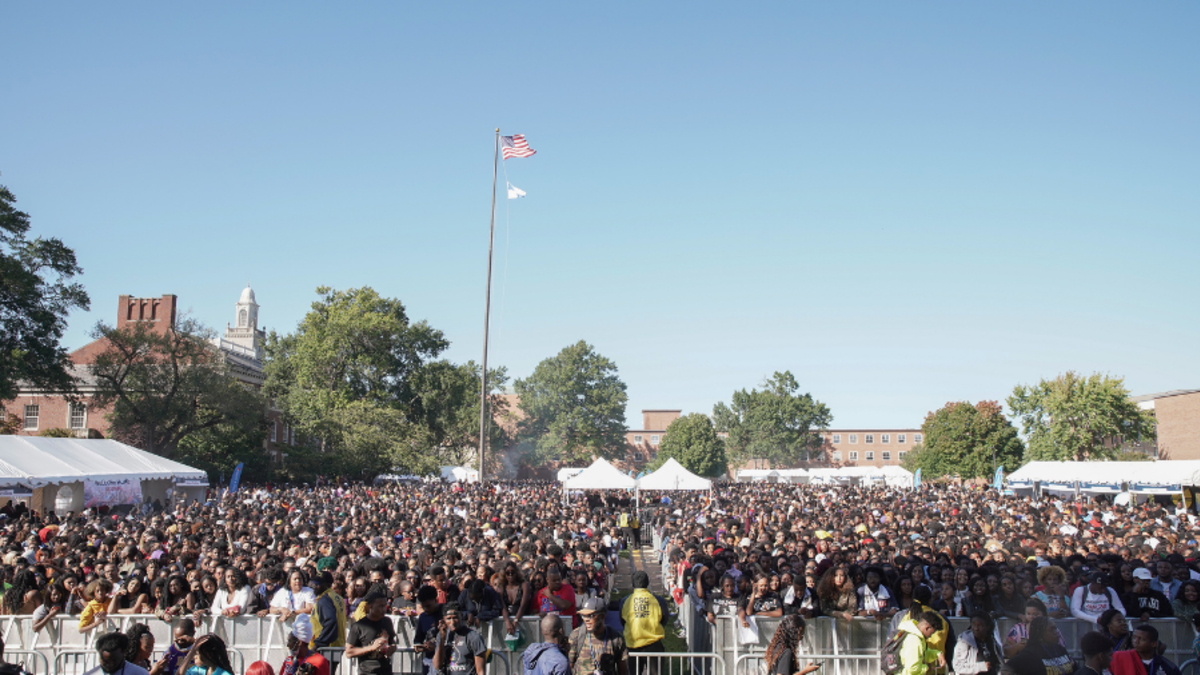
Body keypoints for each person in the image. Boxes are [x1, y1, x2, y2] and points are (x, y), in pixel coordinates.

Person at [569, 597, 628, 675]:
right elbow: (570, 667)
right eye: (583, 616)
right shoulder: (576, 635)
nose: (586, 619)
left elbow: (623, 671)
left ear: (602, 616)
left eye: (590, 615)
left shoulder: (616, 638)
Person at [999, 617, 1076, 675]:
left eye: (1056, 628)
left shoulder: (1060, 649)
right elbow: (1006, 669)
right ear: (1040, 634)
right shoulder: (1030, 654)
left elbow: (1075, 669)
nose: (1056, 632)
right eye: (1051, 630)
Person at [621, 571, 668, 665]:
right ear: (648, 583)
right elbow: (664, 618)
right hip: (653, 644)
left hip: (632, 643)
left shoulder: (625, 601)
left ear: (633, 584)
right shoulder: (659, 600)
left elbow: (622, 620)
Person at [345, 591, 397, 675]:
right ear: (370, 606)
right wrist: (371, 648)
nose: (384, 609)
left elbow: (392, 641)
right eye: (380, 606)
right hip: (367, 671)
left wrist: (392, 647)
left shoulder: (387, 621)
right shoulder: (359, 626)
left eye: (385, 606)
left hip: (386, 670)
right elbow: (348, 652)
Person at [432, 602, 487, 675]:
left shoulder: (473, 637)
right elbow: (437, 665)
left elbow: (481, 671)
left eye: (455, 617)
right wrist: (442, 638)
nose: (452, 622)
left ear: (461, 616)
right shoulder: (441, 635)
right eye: (448, 618)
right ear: (444, 620)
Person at [1110, 625, 1181, 675]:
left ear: (1153, 644)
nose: (1136, 641)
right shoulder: (1119, 658)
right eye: (1134, 638)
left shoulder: (1168, 667)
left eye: (1141, 639)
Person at [310, 572, 347, 664]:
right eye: (314, 582)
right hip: (336, 646)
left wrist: (317, 644)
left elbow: (331, 621)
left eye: (318, 584)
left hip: (326, 647)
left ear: (327, 585)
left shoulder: (325, 600)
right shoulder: (337, 597)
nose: (314, 586)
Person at [896, 610, 941, 675]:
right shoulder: (914, 640)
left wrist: (937, 654)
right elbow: (913, 669)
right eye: (931, 633)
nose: (930, 636)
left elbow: (922, 654)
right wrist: (927, 668)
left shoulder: (912, 635)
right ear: (927, 627)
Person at [84, 632, 151, 675]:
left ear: (123, 652)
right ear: (99, 652)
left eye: (114, 660)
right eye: (105, 661)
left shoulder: (139, 673)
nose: (110, 665)